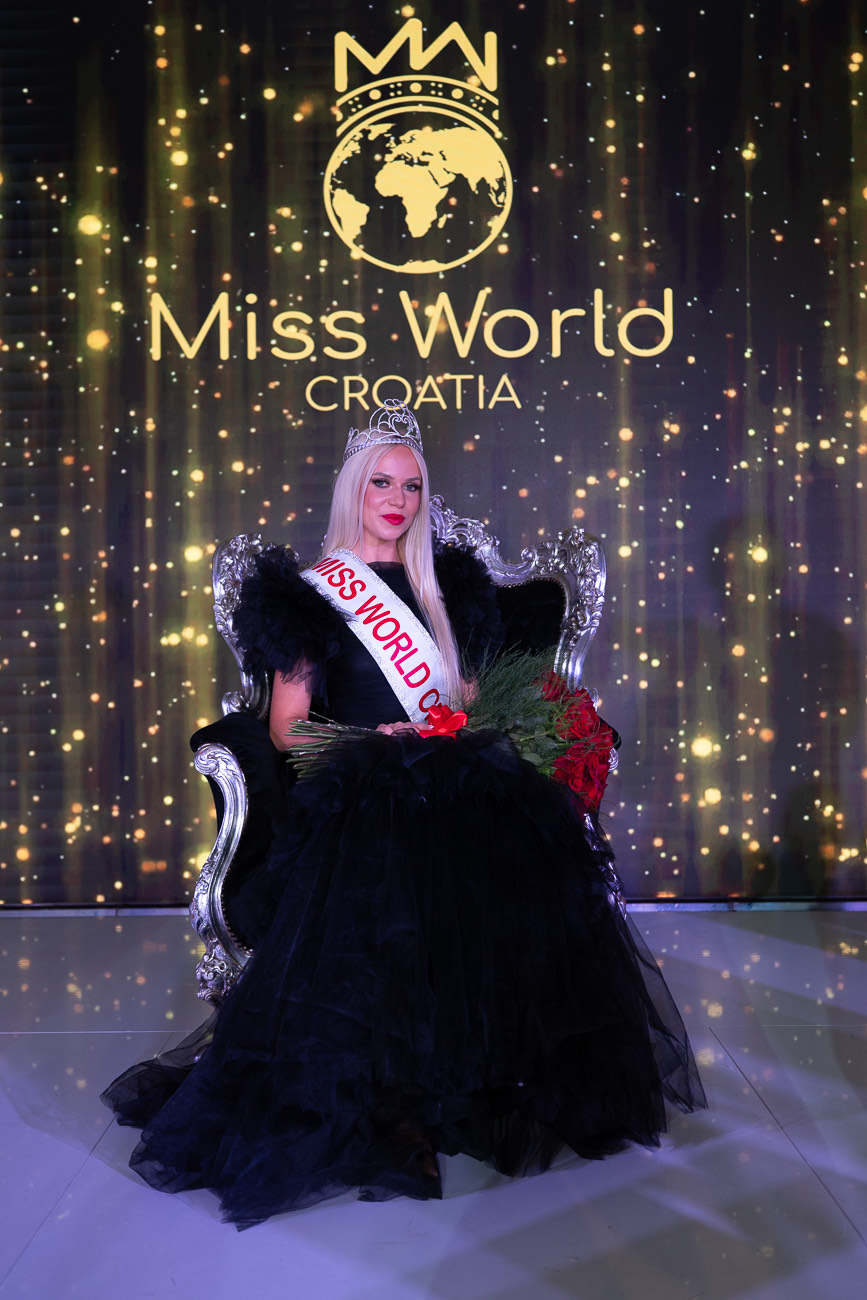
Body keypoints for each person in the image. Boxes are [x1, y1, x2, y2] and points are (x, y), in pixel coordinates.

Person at [102, 400, 706, 1229]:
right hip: (361, 777)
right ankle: (393, 1113)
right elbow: (287, 727)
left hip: (450, 769)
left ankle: (479, 1083)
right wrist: (372, 740)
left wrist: (473, 722)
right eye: (381, 483)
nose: (397, 500)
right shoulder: (311, 596)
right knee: (393, 878)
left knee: (509, 857)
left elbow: (464, 695)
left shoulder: (445, 585)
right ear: (353, 489)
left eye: (412, 486)